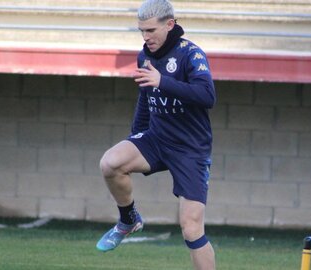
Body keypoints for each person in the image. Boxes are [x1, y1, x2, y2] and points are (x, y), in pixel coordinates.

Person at [96, 0, 216, 269]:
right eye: (141, 31)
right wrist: (135, 137)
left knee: (191, 228)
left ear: (170, 24)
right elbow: (145, 98)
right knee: (110, 163)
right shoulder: (145, 56)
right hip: (157, 138)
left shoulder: (191, 54)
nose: (145, 37)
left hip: (190, 149)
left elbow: (208, 96)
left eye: (150, 30)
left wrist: (164, 81)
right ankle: (129, 219)